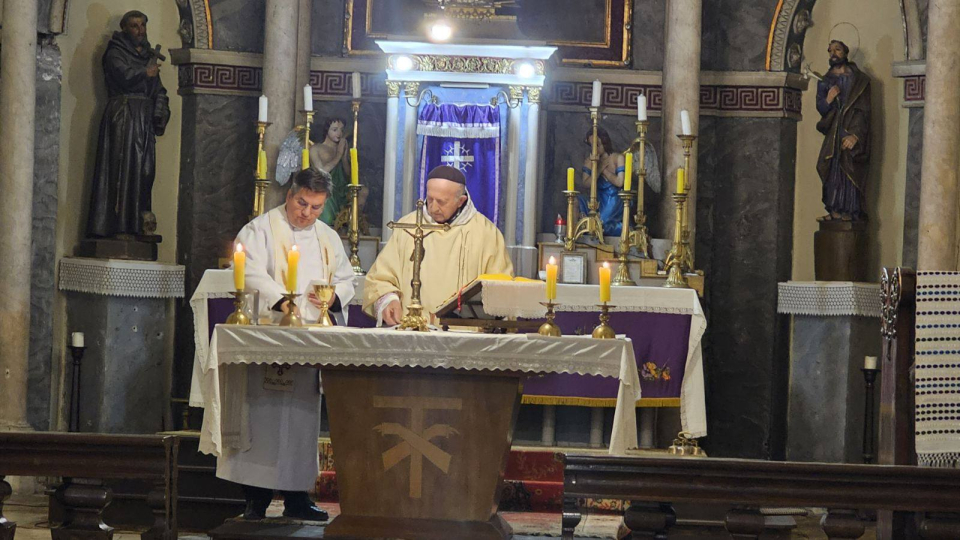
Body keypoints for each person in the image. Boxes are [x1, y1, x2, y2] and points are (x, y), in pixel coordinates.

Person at [220, 168, 355, 521]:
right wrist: (281, 301)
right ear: (290, 194)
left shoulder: (328, 238)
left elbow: (346, 279)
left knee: (300, 423)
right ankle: (255, 500)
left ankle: (298, 498)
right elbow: (247, 270)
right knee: (261, 421)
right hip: (269, 337)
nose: (307, 213)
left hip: (309, 342)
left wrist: (333, 298)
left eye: (316, 207)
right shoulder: (260, 229)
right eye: (302, 203)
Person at [363, 165, 513, 326]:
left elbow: (501, 289)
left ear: (461, 201)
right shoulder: (408, 227)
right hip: (411, 331)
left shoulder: (486, 233)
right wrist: (388, 300)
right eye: (430, 199)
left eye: (441, 202)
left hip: (463, 335)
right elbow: (380, 278)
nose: (433, 207)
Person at [87, 10, 170, 238]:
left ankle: (138, 224)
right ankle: (117, 227)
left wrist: (160, 111)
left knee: (145, 172)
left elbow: (159, 90)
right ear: (125, 29)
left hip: (143, 121)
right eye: (135, 26)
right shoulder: (115, 52)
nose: (140, 30)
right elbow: (122, 74)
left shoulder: (148, 56)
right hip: (123, 117)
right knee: (120, 171)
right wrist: (145, 73)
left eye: (143, 25)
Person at [815, 39, 871, 222]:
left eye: (837, 50)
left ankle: (850, 212)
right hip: (834, 130)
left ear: (845, 53)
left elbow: (864, 112)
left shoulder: (860, 81)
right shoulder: (825, 81)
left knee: (849, 167)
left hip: (852, 128)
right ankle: (834, 210)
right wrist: (829, 99)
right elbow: (821, 108)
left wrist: (855, 135)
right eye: (830, 50)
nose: (833, 53)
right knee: (829, 166)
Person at [579, 126, 627, 236]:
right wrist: (598, 169)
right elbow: (586, 184)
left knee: (601, 223)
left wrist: (604, 171)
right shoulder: (590, 161)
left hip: (613, 198)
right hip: (597, 198)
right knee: (578, 200)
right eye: (591, 146)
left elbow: (620, 182)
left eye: (597, 145)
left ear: (604, 142)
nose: (594, 149)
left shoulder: (618, 158)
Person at [308, 117, 351, 226]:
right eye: (335, 129)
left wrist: (344, 157)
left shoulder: (342, 147)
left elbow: (348, 174)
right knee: (328, 219)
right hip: (324, 188)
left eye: (342, 130)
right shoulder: (316, 149)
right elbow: (321, 172)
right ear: (326, 130)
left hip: (341, 188)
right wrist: (338, 155)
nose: (339, 133)